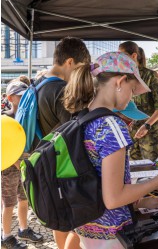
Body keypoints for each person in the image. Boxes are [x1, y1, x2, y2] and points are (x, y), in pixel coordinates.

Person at [63, 52, 158, 249]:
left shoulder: (83, 119)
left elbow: (97, 182)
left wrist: (139, 203)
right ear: (121, 82)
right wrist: (156, 181)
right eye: (132, 89)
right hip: (112, 234)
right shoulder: (111, 125)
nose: (132, 96)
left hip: (88, 226)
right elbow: (114, 198)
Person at [33, 37, 91, 249]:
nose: (79, 74)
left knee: (60, 221)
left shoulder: (38, 85)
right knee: (76, 223)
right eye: (79, 68)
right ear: (69, 62)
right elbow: (74, 135)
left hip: (45, 166)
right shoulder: (61, 91)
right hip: (64, 168)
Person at [1, 80, 43, 249]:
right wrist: (16, 162)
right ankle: (6, 236)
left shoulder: (29, 117)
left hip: (24, 165)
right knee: (9, 203)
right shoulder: (5, 118)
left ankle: (23, 229)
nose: (24, 99)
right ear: (10, 98)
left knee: (24, 199)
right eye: (20, 96)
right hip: (8, 168)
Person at [118, 41, 158, 162]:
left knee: (155, 171)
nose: (119, 59)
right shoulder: (125, 77)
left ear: (134, 56)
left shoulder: (150, 76)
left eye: (122, 56)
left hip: (150, 135)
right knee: (135, 171)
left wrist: (147, 125)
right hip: (132, 133)